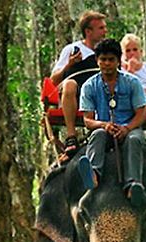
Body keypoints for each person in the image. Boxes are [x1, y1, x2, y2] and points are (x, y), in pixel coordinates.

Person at [77, 38, 146, 208]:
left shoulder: (132, 83)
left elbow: (141, 114)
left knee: (134, 140)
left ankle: (133, 184)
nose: (107, 64)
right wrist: (104, 125)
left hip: (129, 129)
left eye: (111, 60)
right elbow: (87, 120)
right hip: (105, 129)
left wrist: (127, 128)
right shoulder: (89, 86)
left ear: (118, 61)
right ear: (97, 61)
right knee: (97, 134)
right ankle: (93, 174)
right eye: (103, 59)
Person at [51, 10, 107, 154]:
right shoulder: (71, 49)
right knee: (69, 84)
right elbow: (54, 80)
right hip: (75, 93)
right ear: (88, 31)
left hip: (99, 93)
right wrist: (69, 64)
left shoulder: (107, 51)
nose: (105, 31)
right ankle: (71, 136)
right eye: (101, 28)